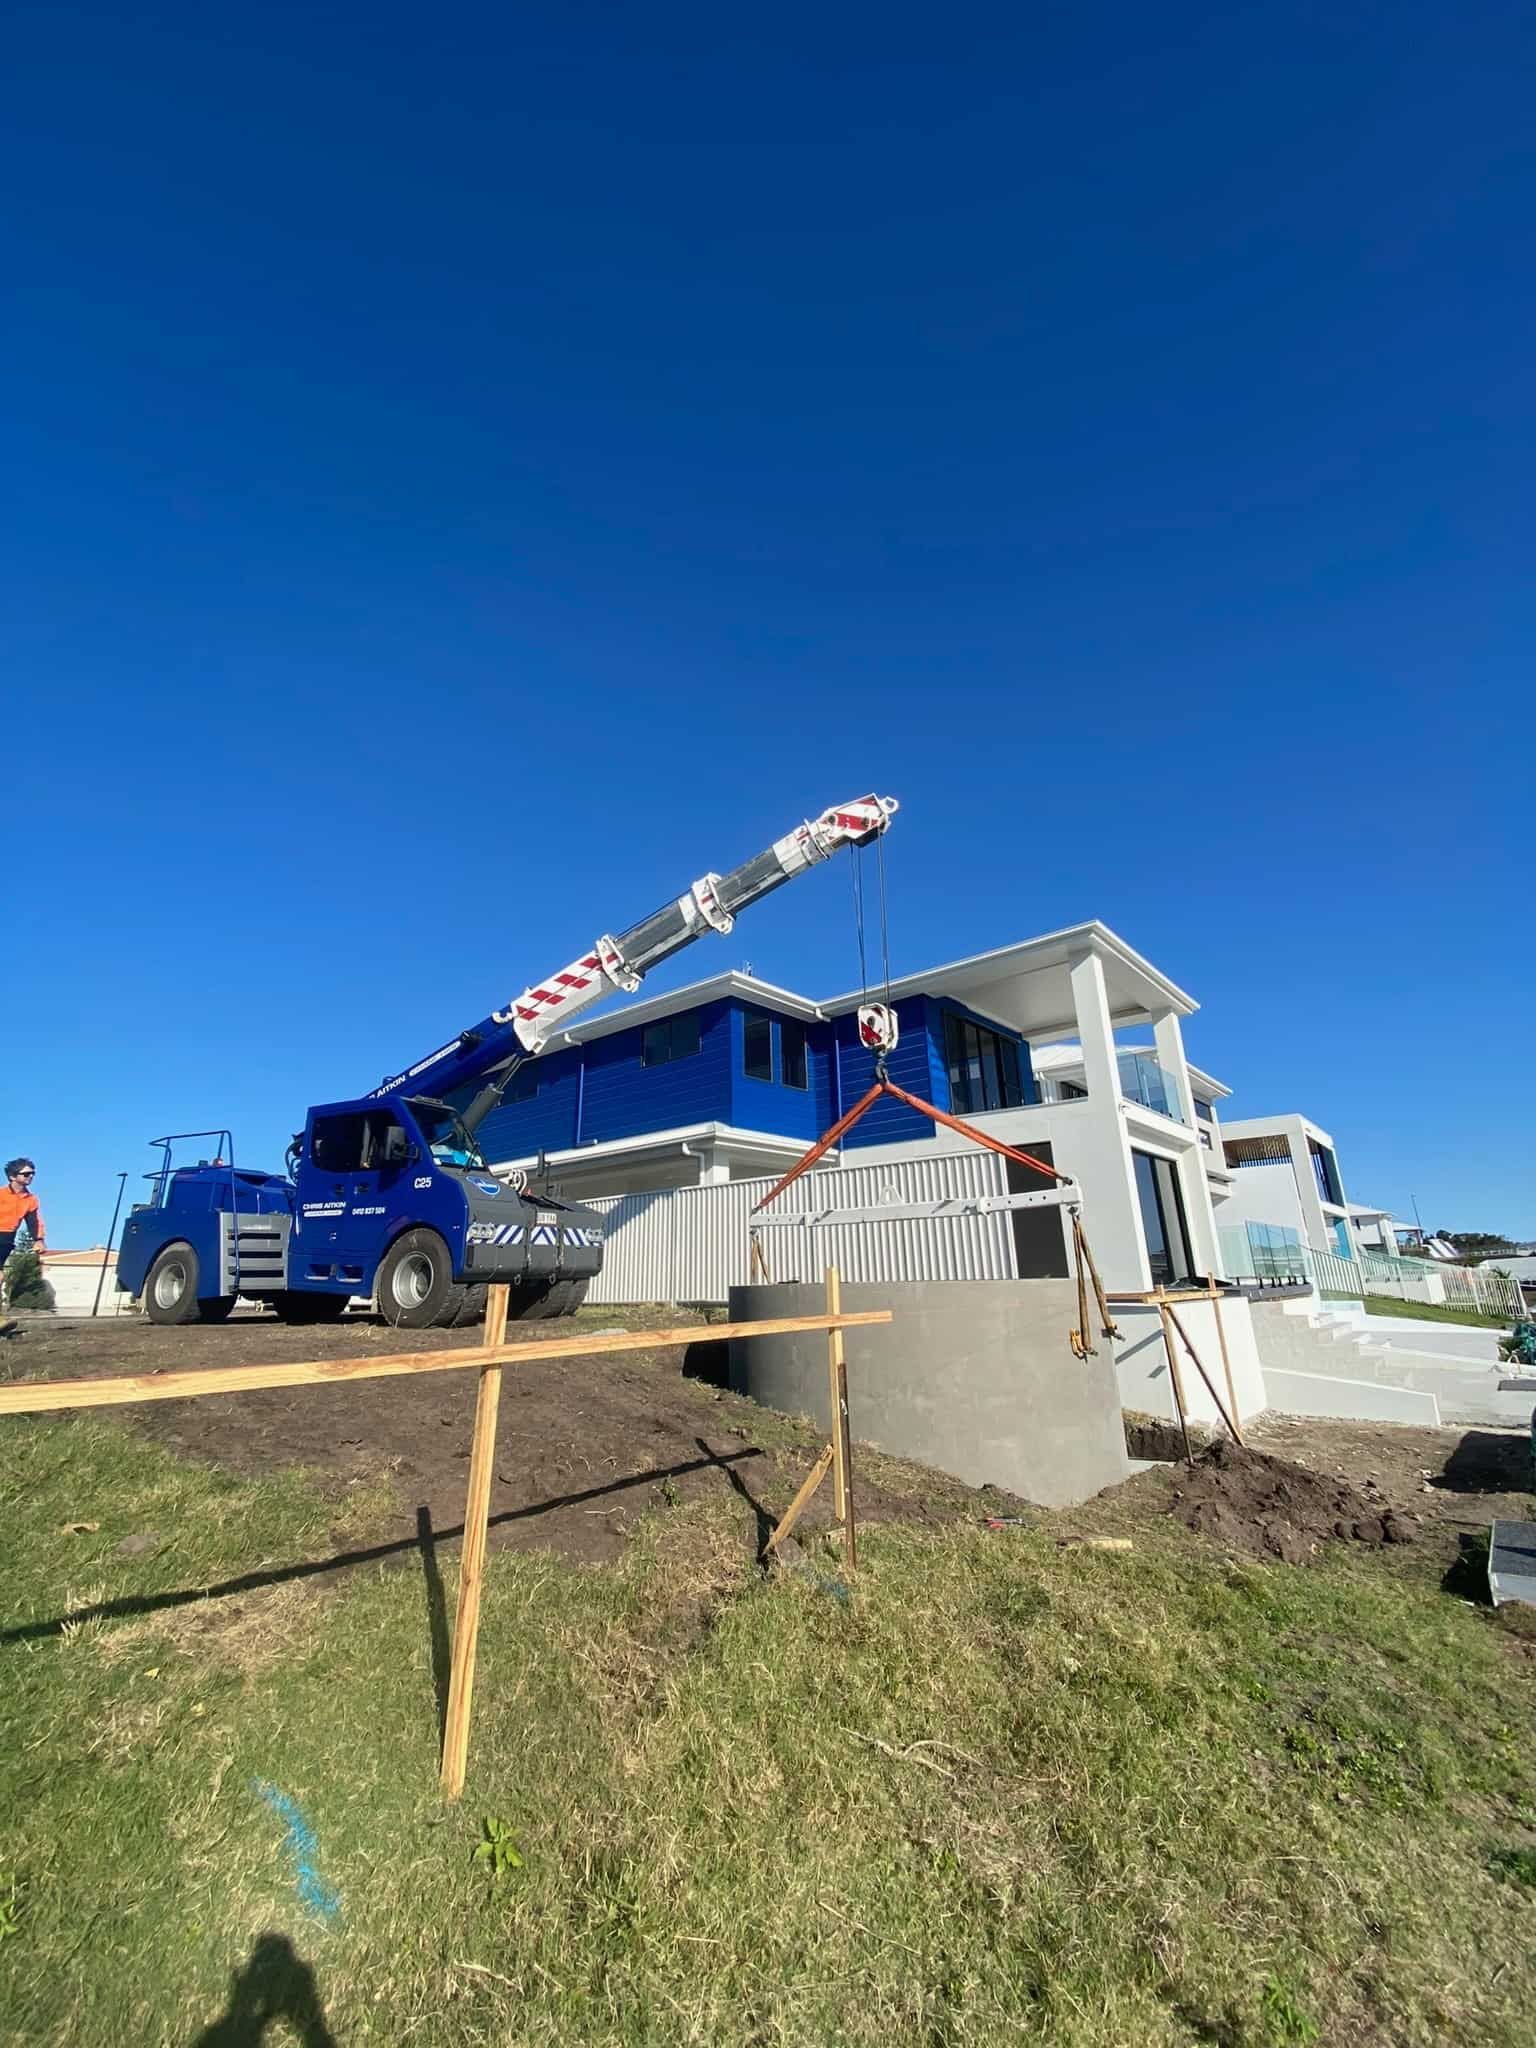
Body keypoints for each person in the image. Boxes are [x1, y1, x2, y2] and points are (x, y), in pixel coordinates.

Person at [0, 1156, 45, 1271]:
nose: (31, 1176)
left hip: (7, 1238)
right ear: (12, 1177)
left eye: (32, 1173)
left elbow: (34, 1222)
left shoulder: (30, 1199)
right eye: (26, 1174)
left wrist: (39, 1240)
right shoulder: (2, 1194)